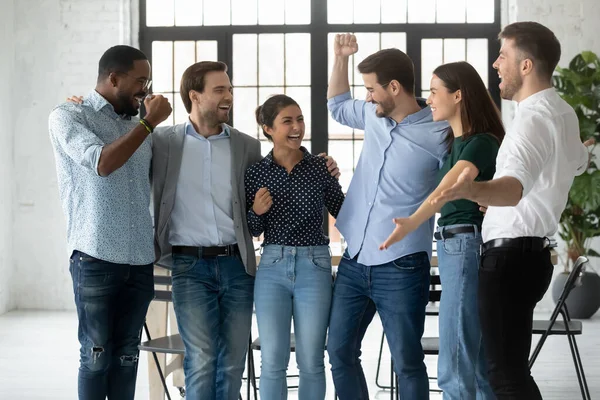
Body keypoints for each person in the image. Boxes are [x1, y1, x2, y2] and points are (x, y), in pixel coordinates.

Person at [151, 62, 339, 399]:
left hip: (238, 264)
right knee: (202, 359)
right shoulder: (164, 141)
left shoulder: (246, 148)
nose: (229, 96)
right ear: (195, 96)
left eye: (230, 89)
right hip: (189, 265)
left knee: (234, 362)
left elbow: (254, 221)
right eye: (220, 90)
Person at [431, 22, 594, 399]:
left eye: (502, 55)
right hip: (529, 255)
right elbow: (575, 163)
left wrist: (472, 190)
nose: (495, 64)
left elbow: (513, 189)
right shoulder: (563, 112)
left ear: (526, 65)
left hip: (508, 259)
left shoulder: (531, 121)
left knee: (504, 376)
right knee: (510, 371)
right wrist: (493, 195)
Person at [325, 33, 449, 399]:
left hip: (403, 264)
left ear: (394, 87)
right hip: (354, 258)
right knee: (339, 351)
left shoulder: (441, 131)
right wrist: (340, 57)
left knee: (407, 361)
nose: (367, 96)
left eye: (371, 89)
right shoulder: (373, 115)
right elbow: (337, 104)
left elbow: (471, 168)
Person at [48, 45, 172, 400]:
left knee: (127, 356)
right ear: (113, 78)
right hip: (96, 257)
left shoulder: (137, 126)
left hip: (139, 260)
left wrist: (145, 124)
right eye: (140, 81)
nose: (146, 90)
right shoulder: (70, 116)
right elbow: (101, 163)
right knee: (96, 356)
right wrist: (149, 123)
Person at [380, 61, 504, 399]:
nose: (429, 99)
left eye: (435, 92)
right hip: (455, 247)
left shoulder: (480, 142)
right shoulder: (454, 142)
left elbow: (447, 190)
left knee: (456, 355)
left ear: (459, 95)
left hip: (464, 244)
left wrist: (412, 222)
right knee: (473, 361)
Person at [244, 94, 345, 400]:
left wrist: (337, 178)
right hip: (272, 265)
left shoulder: (319, 168)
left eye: (299, 119)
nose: (297, 126)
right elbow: (252, 231)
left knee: (312, 360)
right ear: (268, 128)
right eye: (287, 121)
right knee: (272, 361)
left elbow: (344, 212)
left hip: (314, 265)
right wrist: (255, 212)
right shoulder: (255, 173)